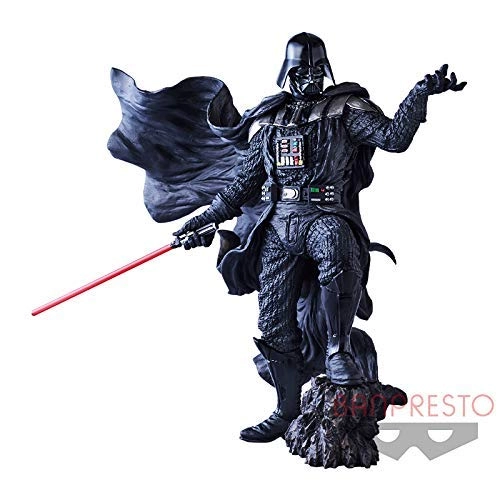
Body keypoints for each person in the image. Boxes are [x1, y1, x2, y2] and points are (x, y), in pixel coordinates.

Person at [171, 32, 466, 443]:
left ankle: (338, 350)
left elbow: (393, 138)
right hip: (279, 225)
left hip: (325, 215)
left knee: (337, 249)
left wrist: (419, 94)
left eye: (315, 71)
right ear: (286, 72)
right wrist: (202, 221)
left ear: (325, 70)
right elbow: (241, 186)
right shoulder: (269, 122)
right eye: (300, 71)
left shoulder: (345, 111)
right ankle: (285, 410)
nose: (308, 78)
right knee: (273, 322)